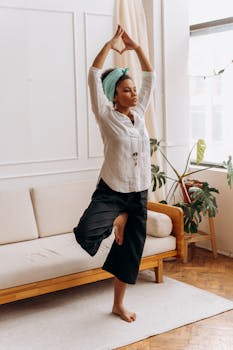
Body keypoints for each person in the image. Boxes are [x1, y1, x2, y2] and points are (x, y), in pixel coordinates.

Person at [73, 25, 155, 322]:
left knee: (128, 252)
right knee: (86, 232)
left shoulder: (140, 113)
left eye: (134, 90)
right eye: (126, 90)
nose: (133, 94)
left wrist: (136, 49)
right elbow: (93, 76)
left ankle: (118, 304)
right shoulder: (105, 116)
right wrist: (110, 44)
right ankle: (118, 219)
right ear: (114, 95)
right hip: (113, 190)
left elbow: (150, 78)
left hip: (140, 190)